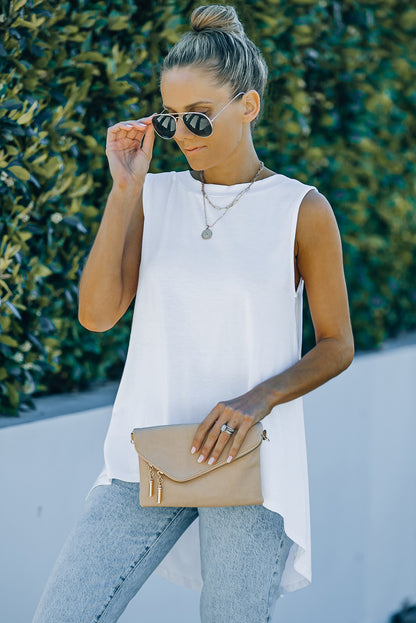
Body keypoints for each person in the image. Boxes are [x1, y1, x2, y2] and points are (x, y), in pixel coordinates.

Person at [32, 4, 354, 623]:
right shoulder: (153, 195)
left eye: (198, 118)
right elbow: (97, 316)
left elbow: (336, 343)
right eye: (169, 118)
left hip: (246, 458)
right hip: (143, 450)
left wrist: (256, 399)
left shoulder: (301, 210)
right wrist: (124, 192)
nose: (181, 134)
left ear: (248, 107)